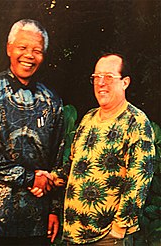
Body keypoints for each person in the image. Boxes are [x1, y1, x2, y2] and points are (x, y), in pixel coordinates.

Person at [0, 19, 65, 246]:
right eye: (22, 47)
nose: (29, 55)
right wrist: (29, 178)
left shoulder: (52, 101)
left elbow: (57, 160)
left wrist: (54, 210)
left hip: (37, 223)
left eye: (37, 50)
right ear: (9, 48)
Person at [63, 53, 155, 245]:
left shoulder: (136, 121)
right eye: (96, 77)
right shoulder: (88, 118)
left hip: (106, 237)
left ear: (125, 82)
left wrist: (120, 227)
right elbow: (72, 166)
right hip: (74, 233)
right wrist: (49, 178)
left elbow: (139, 177)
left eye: (108, 77)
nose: (101, 83)